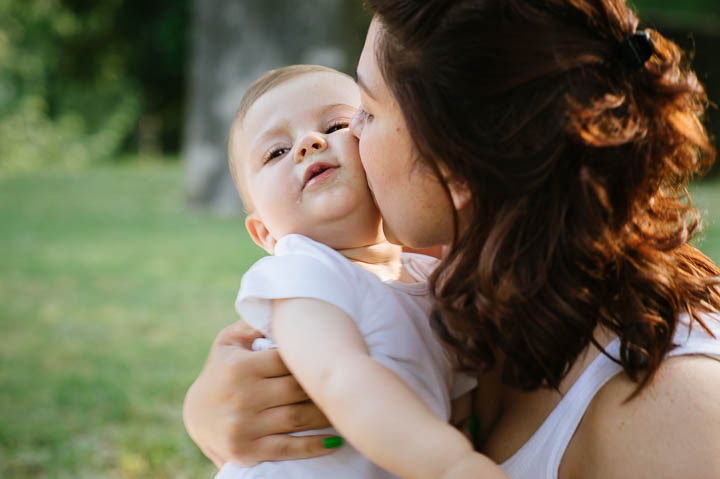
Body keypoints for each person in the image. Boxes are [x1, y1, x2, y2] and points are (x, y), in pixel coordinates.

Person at [184, 1, 720, 478]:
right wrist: (214, 417)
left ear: (457, 168)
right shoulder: (454, 277)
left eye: (361, 115)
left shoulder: (679, 414)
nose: (327, 143)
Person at [211, 63, 504, 479]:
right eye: (276, 152)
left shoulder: (428, 277)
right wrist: (453, 465)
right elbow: (338, 375)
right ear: (264, 234)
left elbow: (456, 400)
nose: (309, 144)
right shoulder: (302, 273)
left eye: (335, 125)